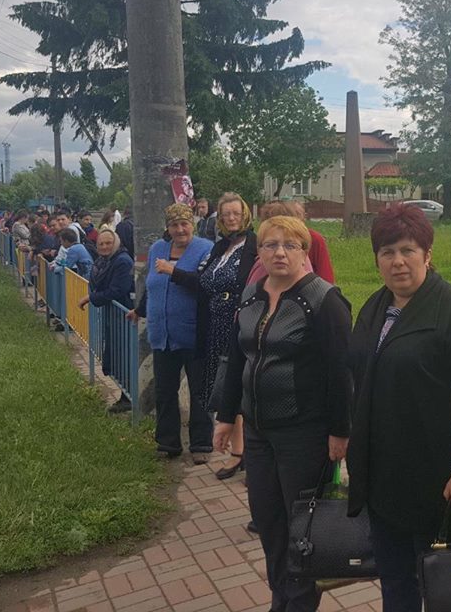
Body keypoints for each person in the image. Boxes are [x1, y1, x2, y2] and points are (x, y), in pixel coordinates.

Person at [346, 203, 451, 612]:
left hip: (437, 481)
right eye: (387, 252)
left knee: (444, 585)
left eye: (408, 250)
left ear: (427, 255)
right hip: (384, 478)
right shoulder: (375, 307)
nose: (398, 261)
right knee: (395, 582)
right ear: (377, 259)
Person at [213, 215, 353, 612]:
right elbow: (238, 356)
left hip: (304, 434)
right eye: (270, 244)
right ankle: (282, 597)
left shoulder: (324, 300)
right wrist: (227, 416)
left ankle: (299, 603)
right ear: (258, 251)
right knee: (268, 520)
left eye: (290, 245)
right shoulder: (252, 294)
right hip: (259, 433)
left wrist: (341, 431)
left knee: (303, 527)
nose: (280, 253)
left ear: (305, 252)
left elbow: (342, 372)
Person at [170, 193, 257, 481]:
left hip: (239, 326)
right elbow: (203, 281)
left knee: (243, 391)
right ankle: (238, 452)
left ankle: (248, 456)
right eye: (226, 214)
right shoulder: (221, 247)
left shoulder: (254, 245)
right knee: (228, 391)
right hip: (215, 326)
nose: (231, 218)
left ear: (245, 214)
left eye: (236, 213)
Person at [128, 204, 214, 462]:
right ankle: (168, 443)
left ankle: (201, 445)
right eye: (174, 225)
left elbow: (205, 285)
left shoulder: (206, 249)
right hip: (162, 335)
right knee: (165, 391)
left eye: (184, 224)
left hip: (194, 334)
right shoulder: (158, 249)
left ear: (192, 224)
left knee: (200, 392)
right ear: (168, 227)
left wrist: (173, 271)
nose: (180, 229)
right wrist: (139, 310)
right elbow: (152, 286)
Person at [78, 228, 134, 413]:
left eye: (108, 243)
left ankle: (128, 396)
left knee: (123, 354)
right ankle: (125, 394)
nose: (104, 246)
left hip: (124, 314)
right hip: (113, 315)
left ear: (116, 243)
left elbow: (117, 290)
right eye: (101, 243)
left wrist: (91, 297)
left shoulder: (122, 261)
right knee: (115, 352)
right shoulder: (103, 261)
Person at [287, 200, 335, 283]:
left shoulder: (314, 238)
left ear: (304, 217)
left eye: (297, 214)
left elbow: (325, 274)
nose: (294, 218)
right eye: (290, 215)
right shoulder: (275, 238)